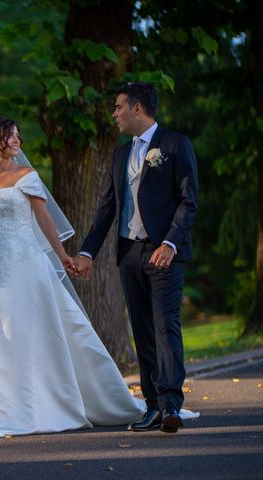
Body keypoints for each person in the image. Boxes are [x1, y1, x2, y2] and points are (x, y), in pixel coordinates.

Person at [0, 116, 145, 438]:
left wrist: (64, 256)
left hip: (26, 261)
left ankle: (49, 401)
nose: (17, 142)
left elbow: (44, 220)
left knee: (36, 328)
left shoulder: (27, 175)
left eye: (18, 137)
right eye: (11, 137)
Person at [75, 82, 199, 433]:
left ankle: (172, 404)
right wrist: (88, 251)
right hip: (129, 253)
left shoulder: (176, 145)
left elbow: (189, 202)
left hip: (164, 254)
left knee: (165, 326)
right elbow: (107, 208)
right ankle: (153, 406)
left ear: (138, 108)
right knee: (143, 331)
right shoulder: (119, 155)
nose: (114, 114)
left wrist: (171, 244)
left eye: (118, 107)